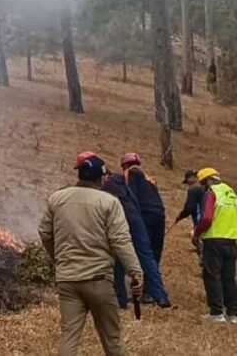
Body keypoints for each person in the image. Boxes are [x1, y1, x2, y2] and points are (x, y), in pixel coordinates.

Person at [38, 152, 143, 356]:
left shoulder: (57, 198)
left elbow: (44, 233)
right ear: (102, 178)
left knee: (69, 336)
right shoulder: (110, 202)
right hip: (98, 280)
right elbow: (120, 241)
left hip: (68, 280)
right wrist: (136, 272)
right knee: (112, 339)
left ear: (80, 175)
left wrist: (58, 260)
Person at [101, 172, 171, 308]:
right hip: (136, 216)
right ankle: (160, 296)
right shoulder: (122, 182)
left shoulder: (106, 184)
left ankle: (120, 299)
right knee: (146, 256)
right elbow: (134, 199)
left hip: (121, 216)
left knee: (118, 255)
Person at [193, 167, 237, 324]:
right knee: (229, 277)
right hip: (232, 239)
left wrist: (197, 232)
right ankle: (232, 314)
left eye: (202, 184)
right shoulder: (231, 192)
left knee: (212, 275)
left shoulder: (211, 193)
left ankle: (216, 313)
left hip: (214, 240)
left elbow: (207, 218)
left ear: (207, 182)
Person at [120, 153, 167, 265]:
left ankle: (142, 277)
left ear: (125, 165)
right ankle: (154, 277)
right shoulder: (149, 179)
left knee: (143, 248)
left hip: (145, 215)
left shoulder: (130, 173)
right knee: (156, 250)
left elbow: (131, 195)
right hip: (159, 215)